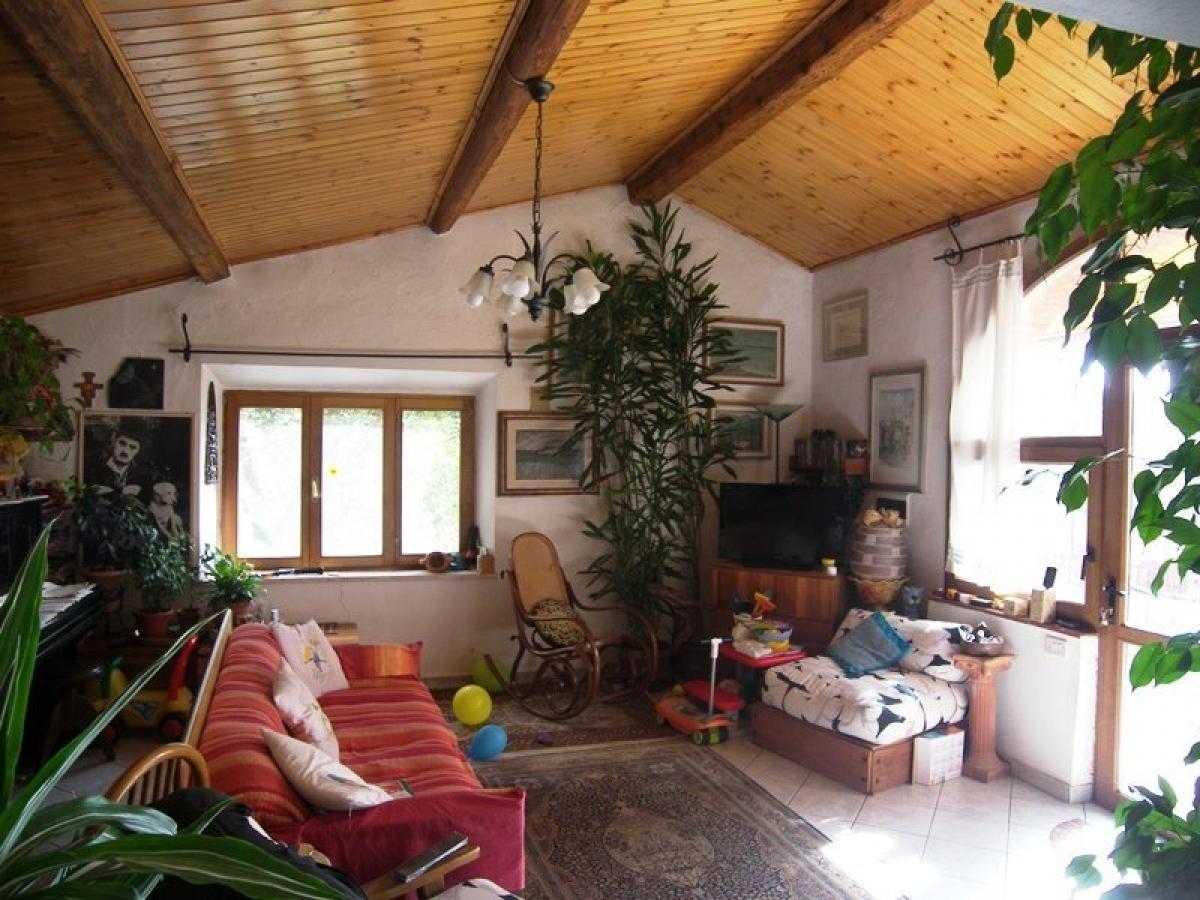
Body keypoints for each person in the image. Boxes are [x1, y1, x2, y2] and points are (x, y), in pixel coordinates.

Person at [92, 422, 145, 498]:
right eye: (122, 444)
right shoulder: (94, 468)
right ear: (113, 442)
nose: (125, 451)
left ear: (138, 451)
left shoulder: (141, 474)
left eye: (132, 447)